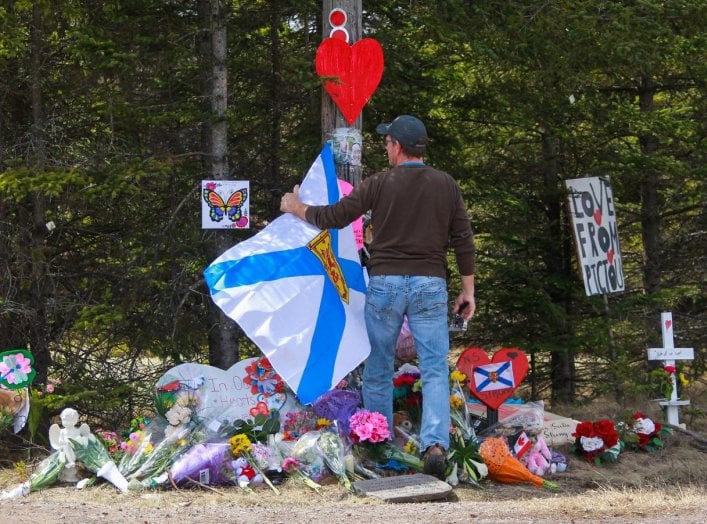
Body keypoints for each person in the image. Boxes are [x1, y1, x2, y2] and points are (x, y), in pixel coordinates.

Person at [280, 114, 476, 479]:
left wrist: (296, 207)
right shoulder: (446, 185)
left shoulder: (378, 184)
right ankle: (435, 445)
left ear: (398, 147)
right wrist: (468, 290)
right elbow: (463, 238)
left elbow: (335, 216)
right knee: (434, 367)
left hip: (385, 284)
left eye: (387, 143)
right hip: (430, 284)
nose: (385, 147)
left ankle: (380, 444)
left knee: (379, 367)